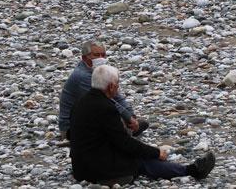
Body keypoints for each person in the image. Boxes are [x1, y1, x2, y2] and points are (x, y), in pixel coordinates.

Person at [69, 64, 216, 185]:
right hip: (99, 171)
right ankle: (190, 171)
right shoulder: (106, 108)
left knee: (138, 151)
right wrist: (156, 152)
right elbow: (125, 143)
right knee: (141, 160)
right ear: (111, 87)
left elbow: (72, 134)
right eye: (118, 84)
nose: (118, 88)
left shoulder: (80, 102)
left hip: (80, 167)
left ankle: (183, 168)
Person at [58, 41, 148, 140]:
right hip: (71, 128)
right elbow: (104, 101)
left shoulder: (101, 71)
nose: (100, 58)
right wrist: (128, 118)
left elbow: (117, 96)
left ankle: (127, 130)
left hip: (87, 117)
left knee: (121, 119)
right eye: (96, 55)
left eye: (103, 55)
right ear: (84, 58)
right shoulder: (82, 76)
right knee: (112, 118)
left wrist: (131, 116)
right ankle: (125, 133)